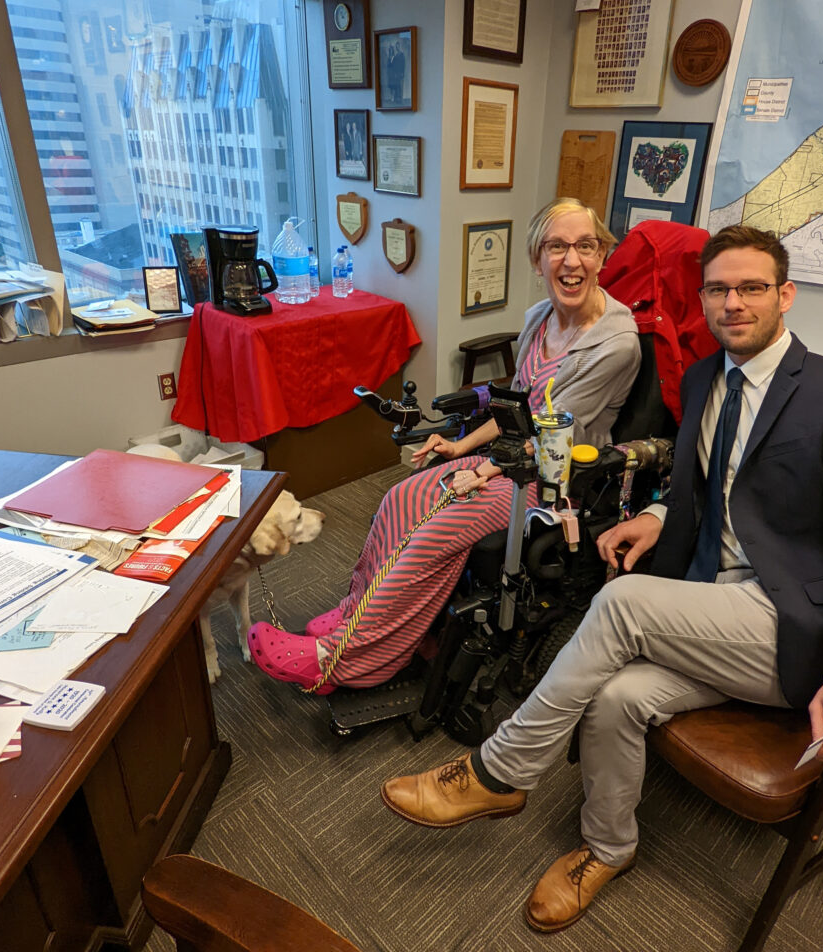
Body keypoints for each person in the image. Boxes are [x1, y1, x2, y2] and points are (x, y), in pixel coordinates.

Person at [379, 225, 823, 933]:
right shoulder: (702, 379)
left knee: (623, 602)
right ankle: (608, 848)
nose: (734, 302)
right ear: (704, 299)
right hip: (717, 606)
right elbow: (715, 484)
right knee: (616, 698)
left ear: (785, 295)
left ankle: (497, 773)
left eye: (753, 287)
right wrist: (662, 514)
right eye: (719, 289)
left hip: (798, 630)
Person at [248, 198, 642, 693]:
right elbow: (516, 407)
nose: (572, 260)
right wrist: (462, 450)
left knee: (433, 530)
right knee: (401, 498)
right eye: (556, 246)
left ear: (603, 254)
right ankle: (357, 614)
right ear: (536, 258)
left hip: (552, 483)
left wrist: (482, 472)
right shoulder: (540, 317)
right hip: (508, 460)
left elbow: (550, 435)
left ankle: (341, 661)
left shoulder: (615, 343)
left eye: (585, 246)